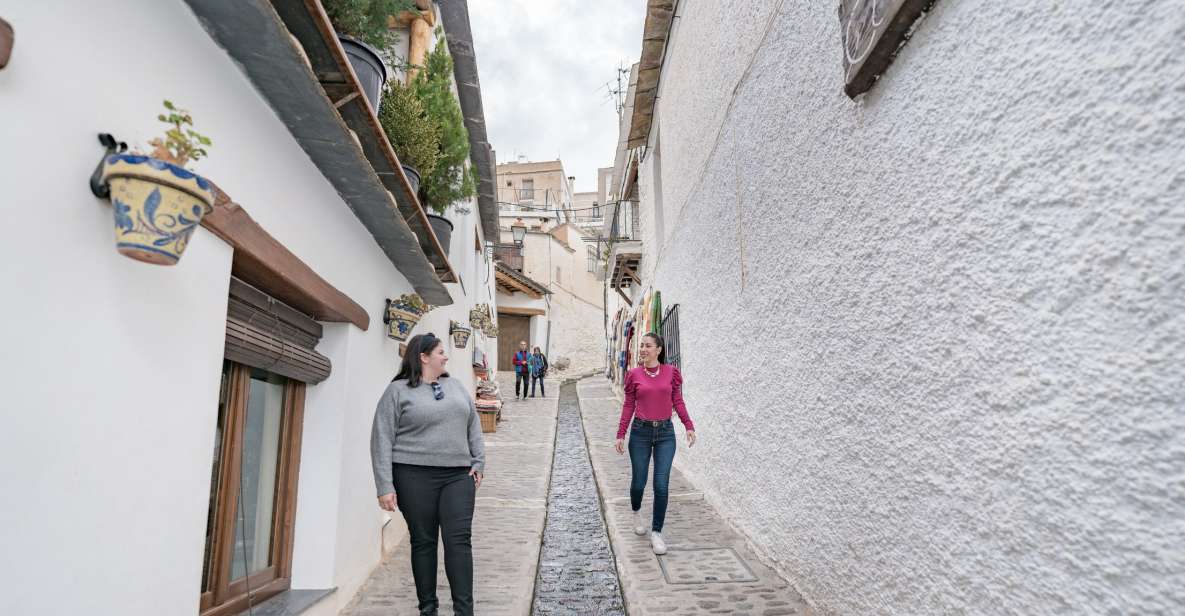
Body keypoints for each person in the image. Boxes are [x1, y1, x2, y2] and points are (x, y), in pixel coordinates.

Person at [371, 333, 486, 616]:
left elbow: (474, 425)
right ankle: (428, 608)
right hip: (412, 476)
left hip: (458, 476)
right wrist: (385, 484)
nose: (445, 357)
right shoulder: (397, 391)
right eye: (440, 352)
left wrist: (478, 462)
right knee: (423, 540)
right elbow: (382, 438)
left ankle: (464, 611)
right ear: (423, 357)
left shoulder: (456, 386)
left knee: (459, 539)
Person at [614, 333, 696, 555]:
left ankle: (657, 532)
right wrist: (621, 433)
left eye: (647, 346)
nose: (642, 349)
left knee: (661, 484)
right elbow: (628, 405)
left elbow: (677, 400)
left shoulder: (671, 373)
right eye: (641, 345)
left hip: (665, 434)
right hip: (640, 433)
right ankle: (636, 512)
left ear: (658, 349)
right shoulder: (634, 375)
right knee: (639, 482)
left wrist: (688, 425)